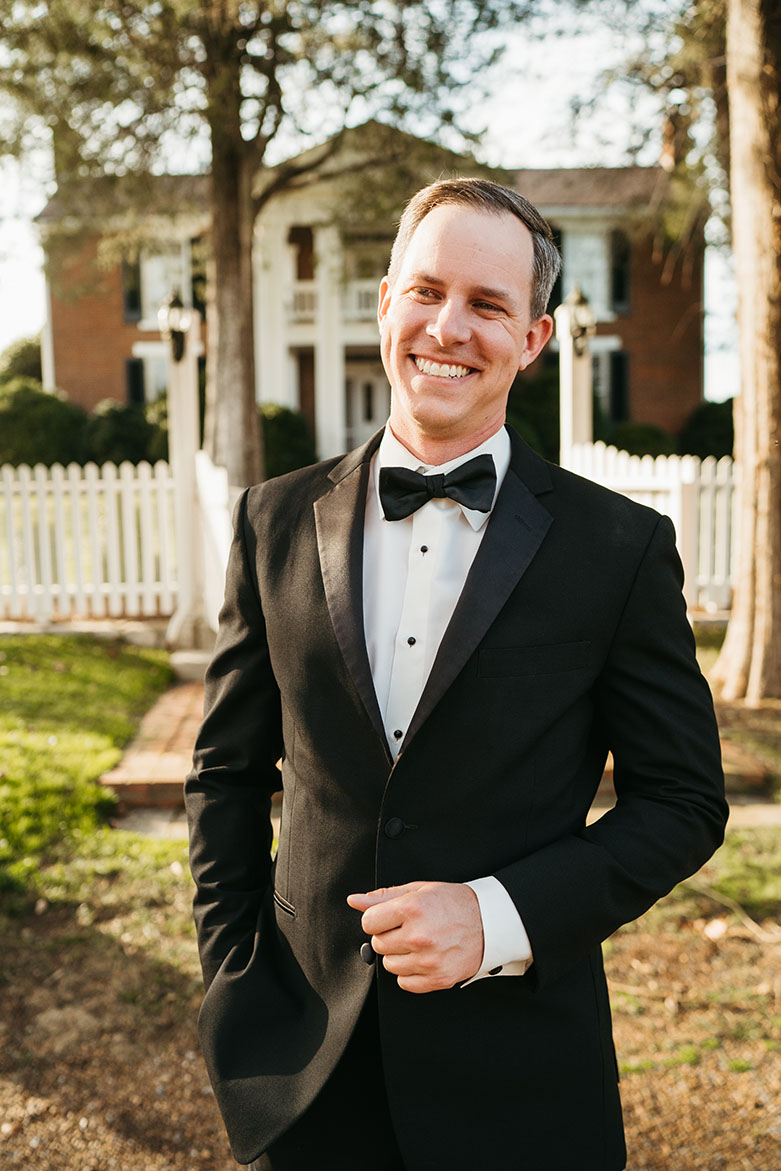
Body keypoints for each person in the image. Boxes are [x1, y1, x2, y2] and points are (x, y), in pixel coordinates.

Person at [185, 177, 727, 1171]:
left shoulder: (619, 548)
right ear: (386, 300)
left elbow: (685, 801)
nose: (448, 325)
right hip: (302, 1071)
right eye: (428, 291)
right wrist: (232, 972)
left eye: (487, 304)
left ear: (533, 337)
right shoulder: (272, 520)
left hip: (520, 1080)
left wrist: (494, 917)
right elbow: (225, 774)